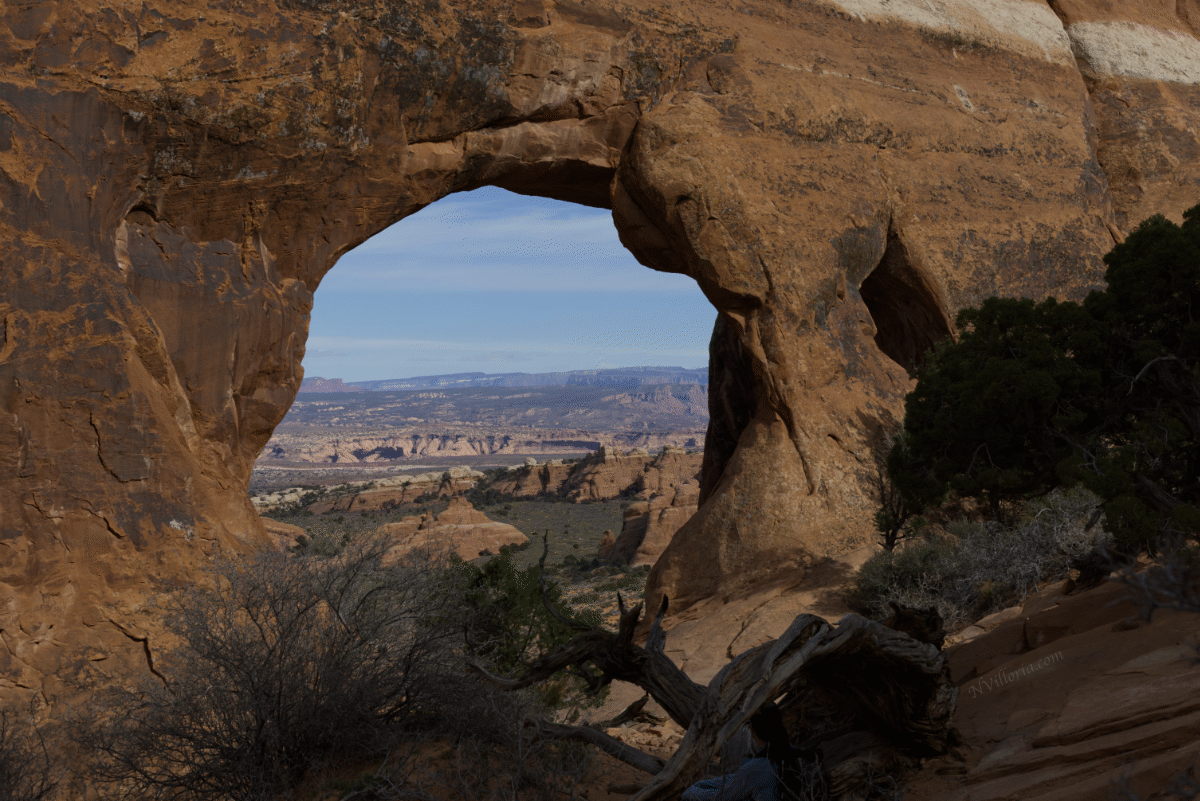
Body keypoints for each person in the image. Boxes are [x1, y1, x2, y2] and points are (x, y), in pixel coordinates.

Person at [681, 703, 824, 801]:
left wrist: (691, 791)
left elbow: (721, 798)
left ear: (752, 729)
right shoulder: (797, 753)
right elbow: (735, 780)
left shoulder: (759, 765)